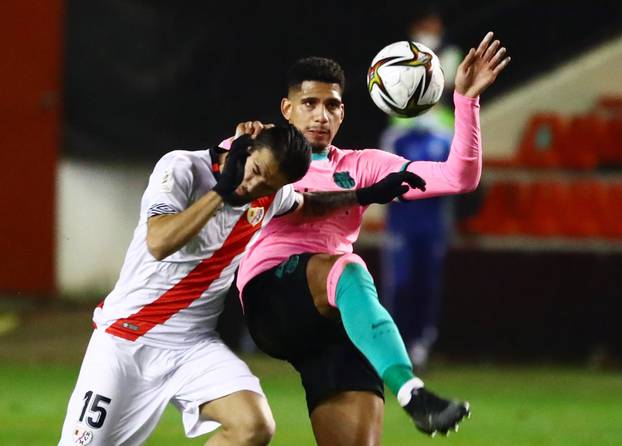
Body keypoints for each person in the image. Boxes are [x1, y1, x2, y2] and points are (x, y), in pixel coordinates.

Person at [235, 32, 510, 445]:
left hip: (332, 319)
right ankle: (412, 392)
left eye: (331, 106)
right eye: (309, 104)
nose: (320, 116)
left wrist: (466, 101)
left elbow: (459, 176)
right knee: (347, 266)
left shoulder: (363, 164)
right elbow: (284, 200)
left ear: (343, 114)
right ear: (287, 109)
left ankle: (401, 385)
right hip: (271, 298)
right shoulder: (262, 151)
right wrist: (240, 148)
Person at [58, 125, 312, 446]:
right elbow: (159, 241)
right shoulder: (183, 168)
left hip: (192, 346)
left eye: (270, 184)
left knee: (254, 425)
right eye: (257, 171)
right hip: (126, 341)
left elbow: (309, 204)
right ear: (246, 150)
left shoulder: (272, 195)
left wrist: (364, 195)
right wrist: (221, 191)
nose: (255, 185)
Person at [378, 8, 463, 371]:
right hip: (403, 217)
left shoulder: (451, 61)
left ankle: (422, 342)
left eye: (434, 27)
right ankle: (389, 343)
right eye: (423, 27)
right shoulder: (396, 128)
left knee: (427, 281)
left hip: (432, 215)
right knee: (399, 280)